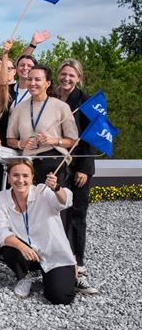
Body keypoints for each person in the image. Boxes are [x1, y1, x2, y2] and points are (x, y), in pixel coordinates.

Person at [0, 159, 77, 304]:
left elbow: (65, 201)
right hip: (26, 253)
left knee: (60, 297)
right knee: (9, 247)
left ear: (32, 177)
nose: (20, 180)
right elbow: (1, 231)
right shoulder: (1, 198)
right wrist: (22, 246)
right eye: (15, 175)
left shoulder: (42, 192)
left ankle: (60, 277)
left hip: (53, 253)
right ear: (8, 177)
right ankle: (26, 276)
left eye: (25, 176)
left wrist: (56, 188)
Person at [56, 59, 99, 293]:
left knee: (77, 215)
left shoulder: (87, 101)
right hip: (57, 164)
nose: (66, 79)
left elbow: (91, 136)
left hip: (79, 165)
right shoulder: (52, 97)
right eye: (63, 74)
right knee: (58, 212)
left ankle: (78, 264)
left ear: (78, 78)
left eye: (71, 75)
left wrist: (83, 167)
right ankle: (60, 259)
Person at [7, 65, 78, 184]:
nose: (32, 83)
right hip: (28, 164)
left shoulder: (61, 107)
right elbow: (10, 139)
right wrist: (21, 143)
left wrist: (54, 141)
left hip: (54, 162)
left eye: (37, 79)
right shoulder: (18, 108)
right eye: (29, 79)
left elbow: (73, 141)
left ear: (48, 83)